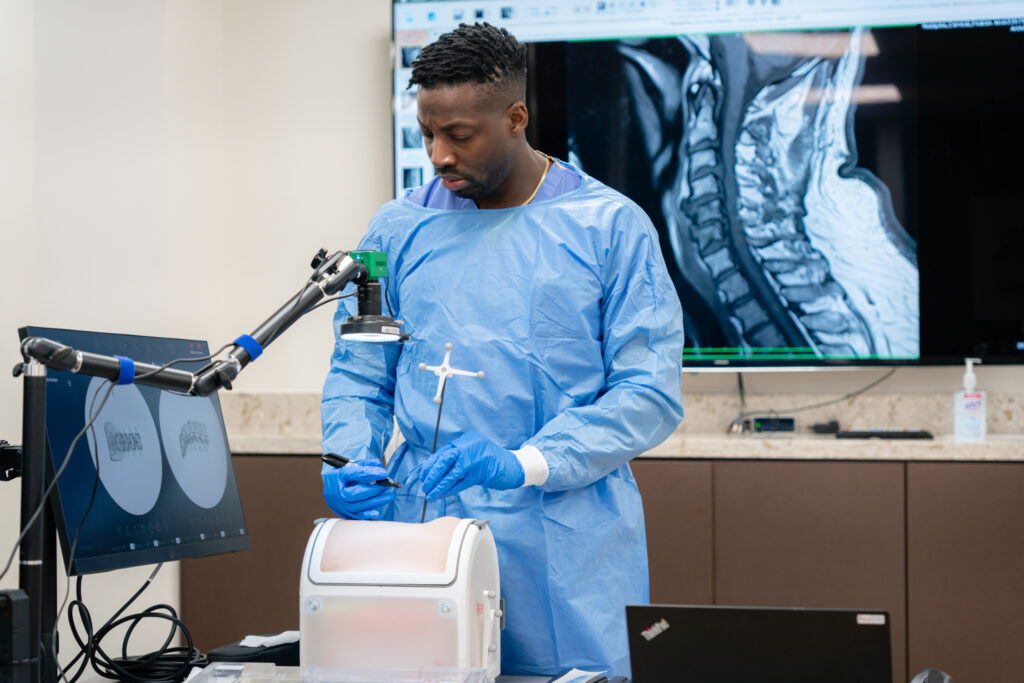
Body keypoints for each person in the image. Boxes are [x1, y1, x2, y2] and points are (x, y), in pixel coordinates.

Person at [320, 22, 684, 677]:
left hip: (566, 550)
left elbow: (647, 394)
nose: (437, 154)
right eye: (427, 133)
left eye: (459, 135)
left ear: (516, 117)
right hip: (425, 543)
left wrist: (524, 461)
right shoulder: (391, 235)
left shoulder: (612, 230)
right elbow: (359, 373)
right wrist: (351, 453)